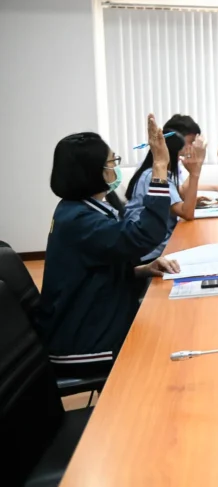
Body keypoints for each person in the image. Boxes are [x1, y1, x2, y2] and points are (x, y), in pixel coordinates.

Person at [36, 115, 180, 378]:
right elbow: (143, 235)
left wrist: (143, 269)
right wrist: (160, 165)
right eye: (112, 162)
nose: (116, 168)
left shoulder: (80, 209)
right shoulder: (79, 219)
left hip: (92, 321)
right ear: (93, 171)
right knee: (171, 347)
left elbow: (97, 268)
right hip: (85, 344)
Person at [124, 132, 207, 261]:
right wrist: (195, 172)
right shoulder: (153, 177)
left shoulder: (154, 173)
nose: (180, 160)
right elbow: (187, 213)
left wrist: (197, 167)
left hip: (157, 240)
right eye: (179, 155)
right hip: (151, 249)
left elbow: (182, 193)